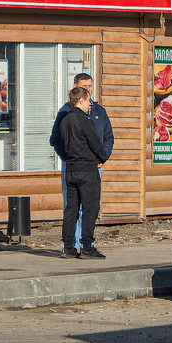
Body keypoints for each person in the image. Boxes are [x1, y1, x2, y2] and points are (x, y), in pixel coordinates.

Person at [51, 72, 113, 248]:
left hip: (94, 166)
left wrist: (103, 157)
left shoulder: (99, 111)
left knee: (90, 207)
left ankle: (85, 242)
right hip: (74, 165)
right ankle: (75, 244)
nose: (88, 89)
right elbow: (56, 140)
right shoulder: (66, 112)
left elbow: (107, 137)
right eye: (84, 86)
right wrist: (68, 156)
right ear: (76, 88)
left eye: (90, 86)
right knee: (73, 207)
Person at [57, 86, 107, 259]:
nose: (88, 105)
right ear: (81, 100)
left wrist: (67, 157)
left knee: (71, 208)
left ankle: (68, 246)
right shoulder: (85, 121)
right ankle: (87, 246)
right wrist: (102, 156)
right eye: (87, 101)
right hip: (87, 169)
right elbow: (96, 143)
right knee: (90, 208)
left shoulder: (64, 120)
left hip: (71, 169)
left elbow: (55, 140)